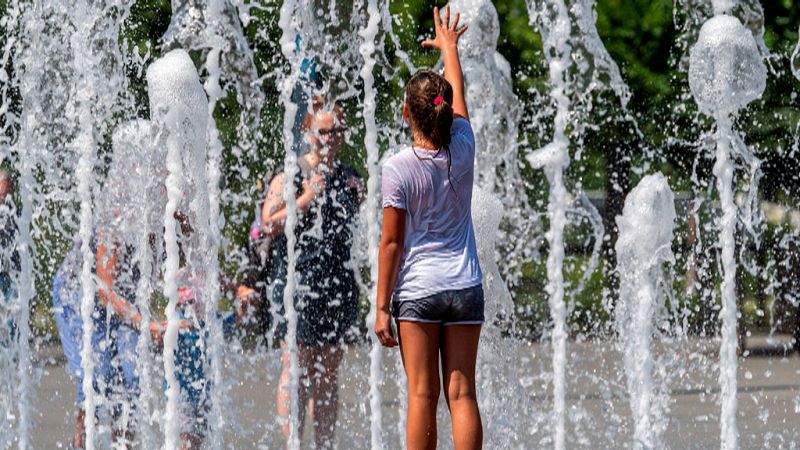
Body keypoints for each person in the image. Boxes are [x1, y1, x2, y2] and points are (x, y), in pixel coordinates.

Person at [375, 6, 484, 450]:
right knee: (462, 393)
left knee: (422, 394)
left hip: (419, 290)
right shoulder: (464, 145)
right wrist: (451, 48)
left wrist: (382, 305)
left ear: (406, 113)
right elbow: (458, 99)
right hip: (465, 285)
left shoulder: (397, 168)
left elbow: (392, 243)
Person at [261, 96, 362, 448]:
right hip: (297, 284)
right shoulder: (292, 173)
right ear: (308, 131)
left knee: (329, 374)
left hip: (338, 284)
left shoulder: (351, 176)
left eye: (336, 131)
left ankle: (324, 445)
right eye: (323, 131)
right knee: (296, 369)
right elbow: (268, 223)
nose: (330, 137)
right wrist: (304, 199)